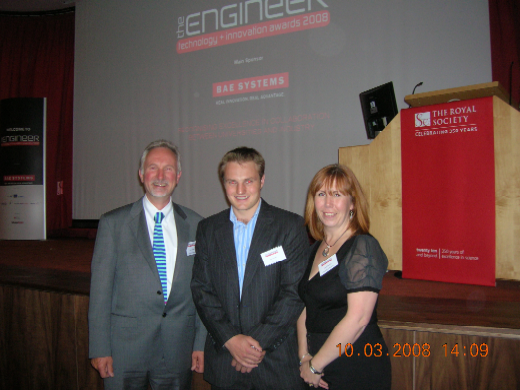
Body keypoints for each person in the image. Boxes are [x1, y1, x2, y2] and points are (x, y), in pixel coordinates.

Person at [88, 140, 206, 390]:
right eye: (153, 168)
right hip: (123, 353)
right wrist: (100, 348)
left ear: (179, 175)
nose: (161, 176)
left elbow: (202, 290)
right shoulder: (113, 224)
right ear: (141, 174)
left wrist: (200, 343)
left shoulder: (197, 225)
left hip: (177, 352)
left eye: (169, 169)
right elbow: (100, 293)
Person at [191, 146, 309, 390]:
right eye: (232, 182)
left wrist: (256, 346)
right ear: (223, 183)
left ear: (262, 180)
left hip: (274, 362)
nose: (240, 190)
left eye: (249, 181)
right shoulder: (208, 229)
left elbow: (294, 292)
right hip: (226, 361)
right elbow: (202, 290)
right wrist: (232, 340)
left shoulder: (290, 226)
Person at [297, 164, 391, 390]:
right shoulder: (314, 250)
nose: (328, 204)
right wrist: (304, 356)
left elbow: (358, 320)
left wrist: (315, 366)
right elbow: (304, 305)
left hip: (355, 365)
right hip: (315, 365)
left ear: (353, 203)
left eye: (337, 195)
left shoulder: (363, 246)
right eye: (321, 194)